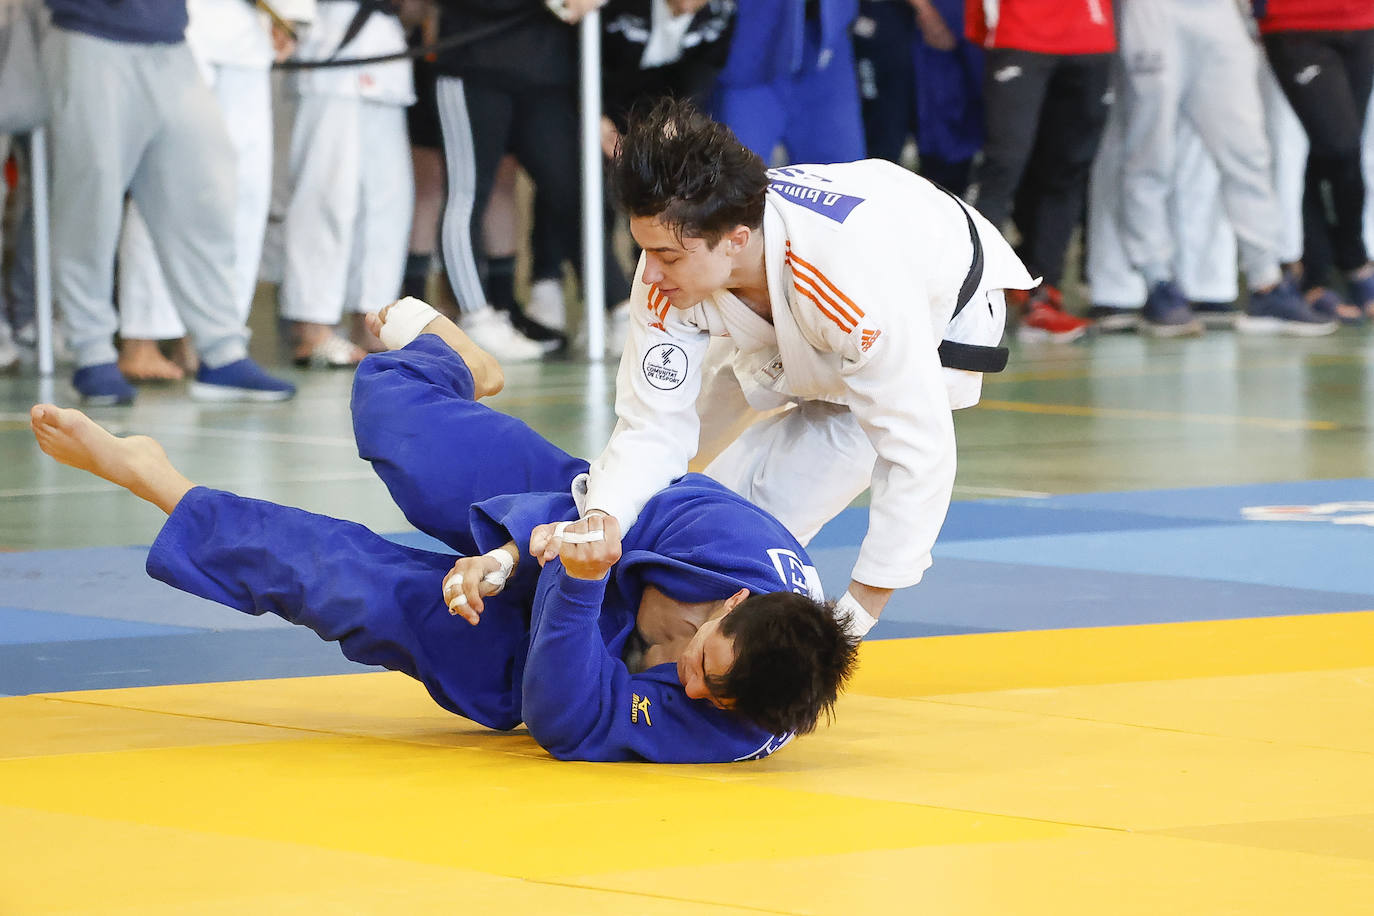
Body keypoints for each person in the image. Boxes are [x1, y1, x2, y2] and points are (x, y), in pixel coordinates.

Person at [28, 300, 856, 764]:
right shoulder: (729, 535)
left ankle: (152, 479)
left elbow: (564, 720)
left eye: (715, 697)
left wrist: (580, 584)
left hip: (521, 657)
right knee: (402, 432)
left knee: (342, 583)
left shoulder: (736, 723)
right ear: (734, 602)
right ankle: (457, 361)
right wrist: (508, 553)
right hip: (568, 504)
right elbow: (618, 497)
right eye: (706, 666)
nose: (692, 686)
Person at [539, 99, 1034, 638]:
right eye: (646, 251)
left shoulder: (848, 287)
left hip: (942, 313)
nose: (650, 274)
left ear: (735, 240)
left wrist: (856, 613)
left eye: (668, 258)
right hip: (785, 303)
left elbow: (918, 446)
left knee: (755, 515)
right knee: (661, 496)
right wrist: (602, 516)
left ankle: (723, 650)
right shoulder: (682, 251)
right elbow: (652, 424)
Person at [42, 0, 297, 404]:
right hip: (89, 33)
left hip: (171, 39)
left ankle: (221, 351)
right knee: (90, 200)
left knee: (205, 193)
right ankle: (92, 353)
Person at [963, 0, 1116, 343]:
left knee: (1068, 170)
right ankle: (968, 301)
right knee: (1003, 166)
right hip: (1019, 32)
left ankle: (1043, 296)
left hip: (1090, 35)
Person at [1259, 0, 1374, 323]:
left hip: (1361, 20)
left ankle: (1321, 273)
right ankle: (1347, 264)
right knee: (1339, 144)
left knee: (1338, 150)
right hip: (1295, 22)